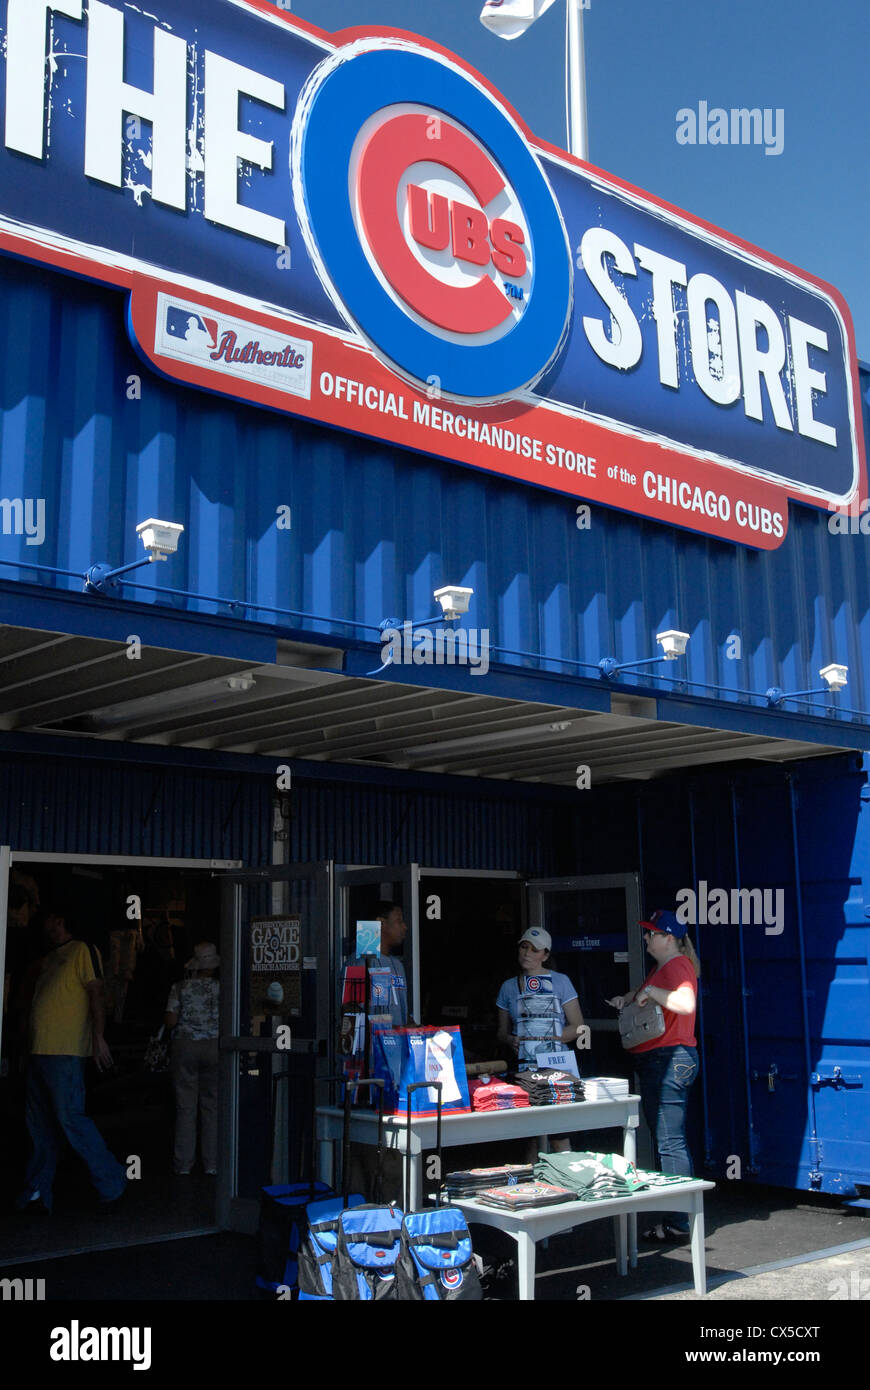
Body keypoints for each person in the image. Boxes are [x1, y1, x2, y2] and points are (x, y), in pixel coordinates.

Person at [16, 909, 127, 1213]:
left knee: (70, 1119)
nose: (44, 923)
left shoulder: (82, 950)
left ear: (60, 919)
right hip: (40, 1051)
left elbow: (96, 993)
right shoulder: (50, 958)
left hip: (65, 1051)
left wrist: (98, 1037)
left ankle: (112, 1182)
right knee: (39, 1124)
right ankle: (39, 1189)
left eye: (48, 918)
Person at [607, 908, 701, 1242]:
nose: (646, 937)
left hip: (669, 1059)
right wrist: (630, 996)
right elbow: (645, 992)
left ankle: (679, 1222)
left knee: (670, 1142)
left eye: (652, 933)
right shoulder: (664, 967)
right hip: (664, 1059)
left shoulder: (678, 965)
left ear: (669, 938)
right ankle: (677, 1216)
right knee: (667, 1140)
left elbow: (686, 1003)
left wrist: (651, 994)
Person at [496, 927, 585, 1154]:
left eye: (535, 950)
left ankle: (567, 1182)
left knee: (559, 1135)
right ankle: (531, 1189)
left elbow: (578, 1026)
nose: (527, 953)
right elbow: (501, 1032)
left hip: (556, 1066)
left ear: (545, 955)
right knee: (531, 1136)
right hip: (525, 1066)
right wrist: (511, 1039)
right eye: (524, 947)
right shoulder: (508, 986)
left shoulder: (561, 981)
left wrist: (549, 1035)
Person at [165, 942, 220, 1176]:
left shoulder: (180, 988)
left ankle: (183, 1164)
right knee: (212, 1106)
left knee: (185, 1107)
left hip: (185, 1046)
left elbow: (170, 1021)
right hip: (214, 1046)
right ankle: (212, 1163)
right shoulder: (222, 988)